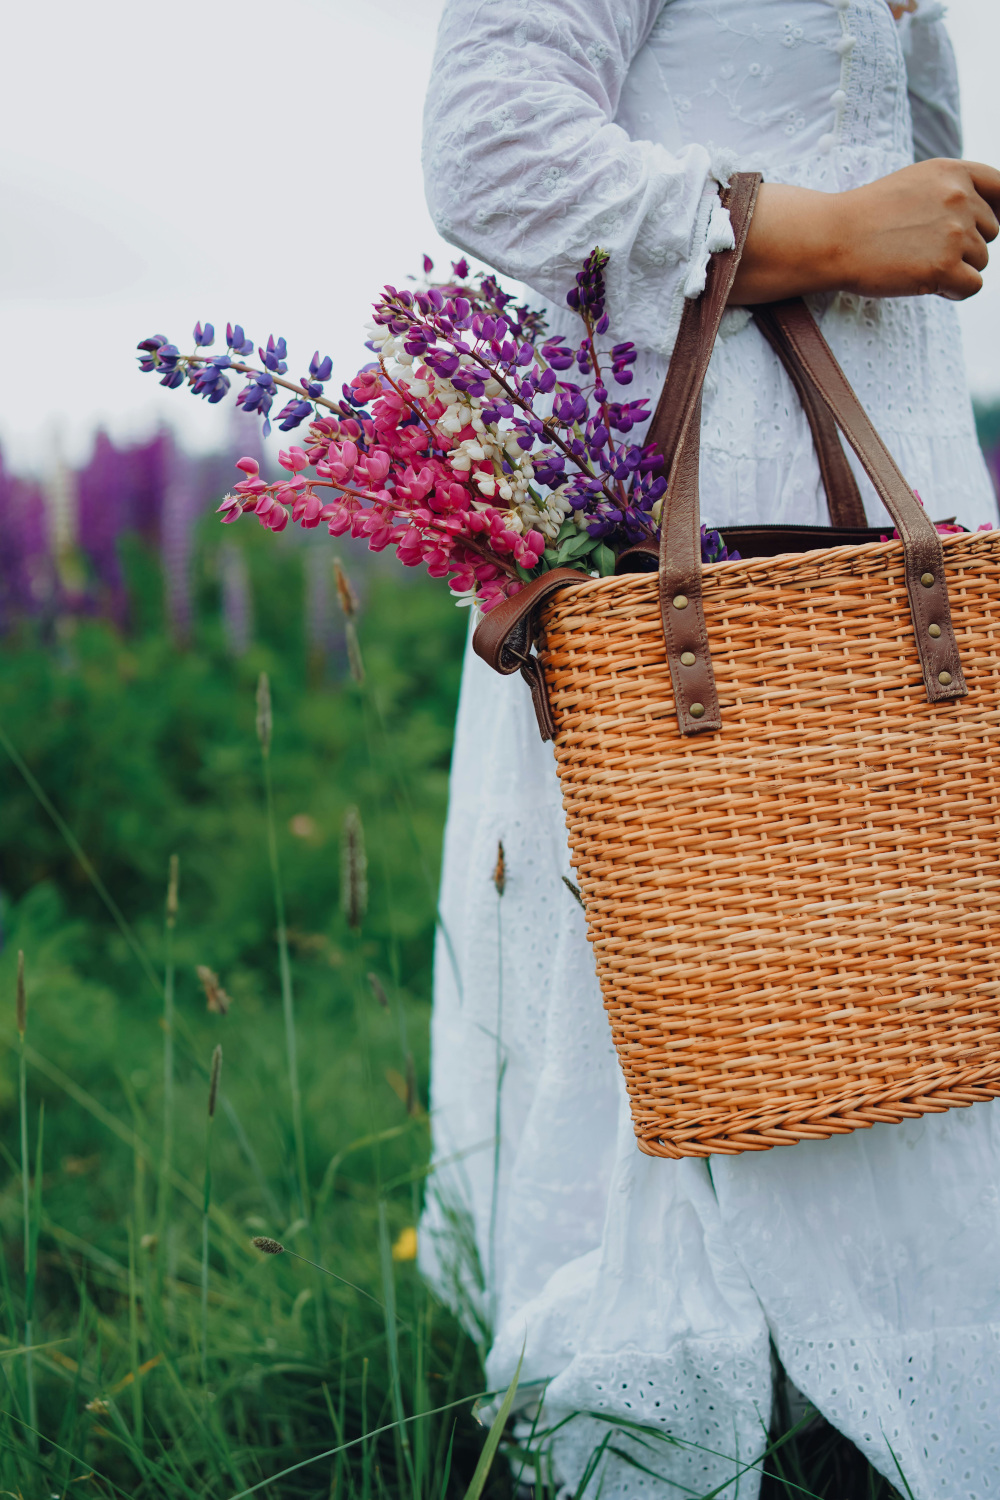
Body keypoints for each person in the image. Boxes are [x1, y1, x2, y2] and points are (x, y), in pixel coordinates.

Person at [419, 4, 1000, 1496]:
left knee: (913, 983)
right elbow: (491, 149)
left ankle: (888, 1406)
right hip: (700, 503)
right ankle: (674, 1420)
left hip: (894, 497)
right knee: (698, 1005)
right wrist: (812, 229)